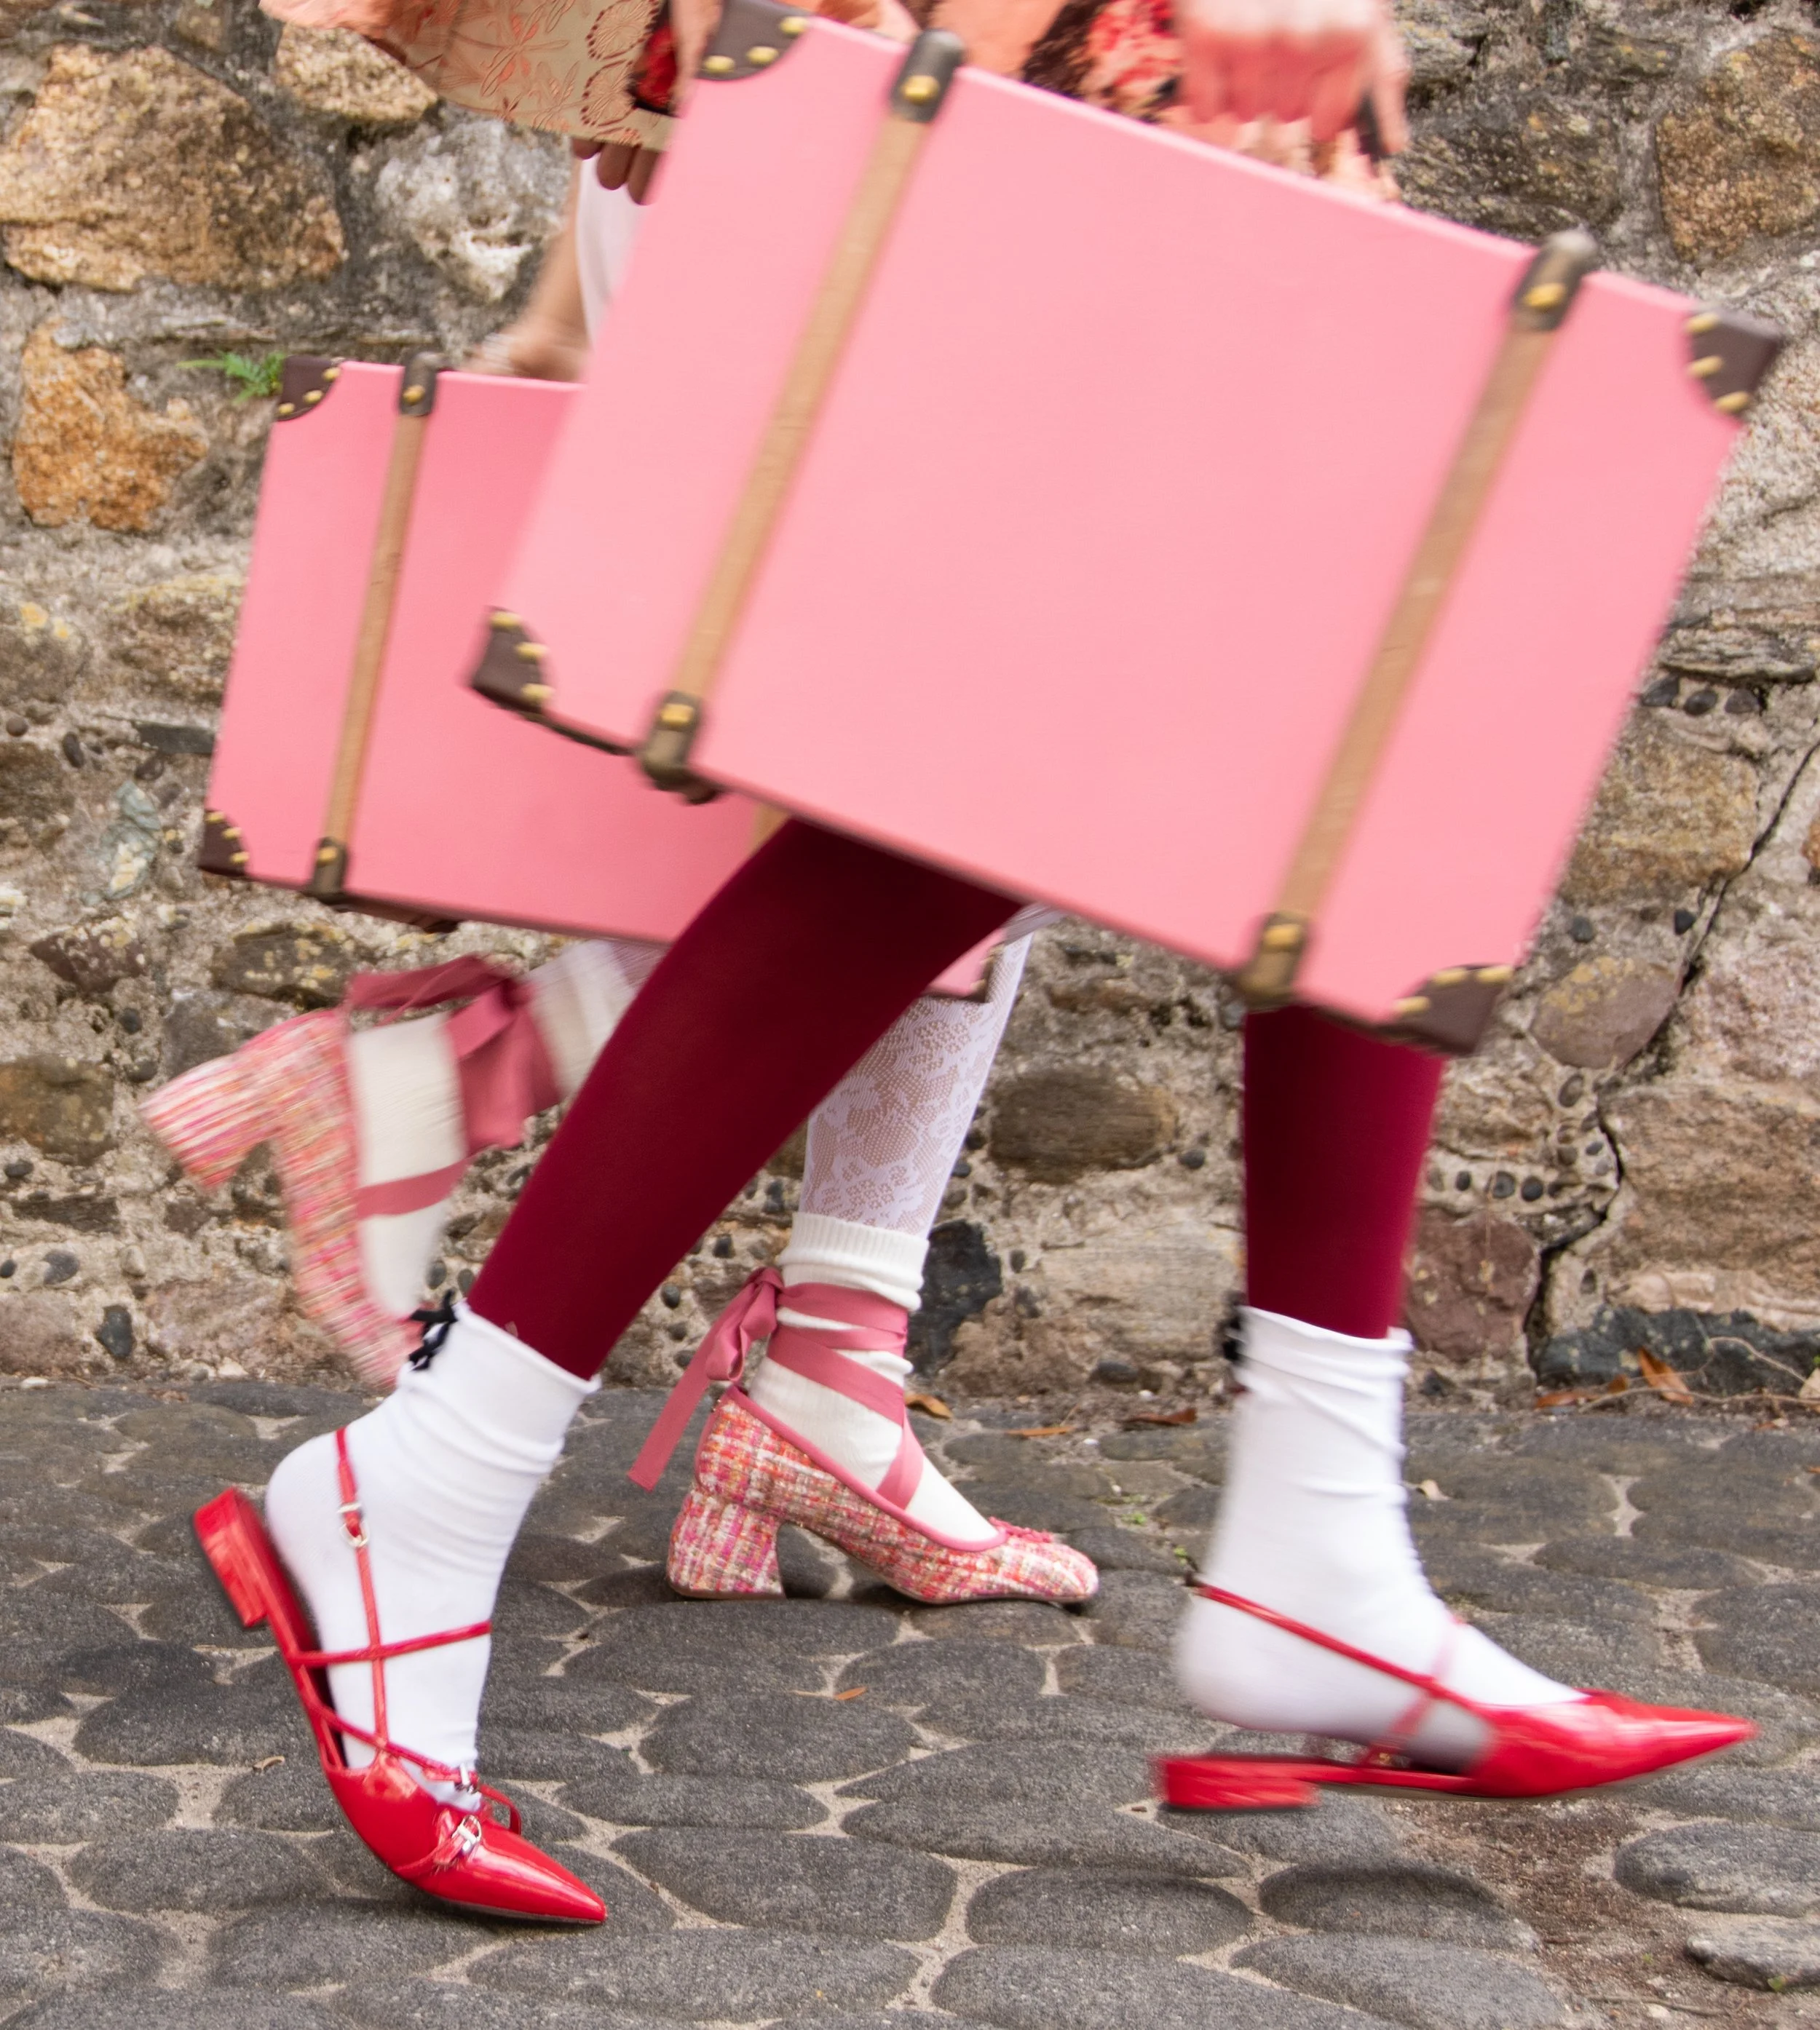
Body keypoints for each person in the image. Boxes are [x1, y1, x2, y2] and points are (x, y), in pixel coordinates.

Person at [188, 0, 1750, 1925]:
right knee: (1084, 718)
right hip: (1032, 47)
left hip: (1139, 59)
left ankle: (1312, 1540)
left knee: (1335, 680)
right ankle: (442, 1466)